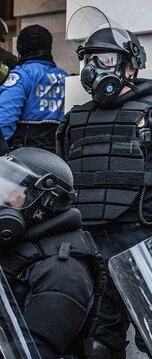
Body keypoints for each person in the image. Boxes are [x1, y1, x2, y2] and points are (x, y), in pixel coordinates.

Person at [56, 8, 152, 358]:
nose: (93, 68)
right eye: (89, 59)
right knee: (96, 343)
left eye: (104, 59)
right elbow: (61, 184)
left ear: (130, 66)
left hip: (139, 241)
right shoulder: (74, 118)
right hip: (86, 246)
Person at [0, 147, 100, 358]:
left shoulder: (63, 273)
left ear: (44, 203)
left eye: (10, 193)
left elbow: (32, 352)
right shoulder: (20, 246)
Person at [0, 25, 68, 152]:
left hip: (26, 160)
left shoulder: (21, 76)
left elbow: (4, 122)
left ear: (20, 48)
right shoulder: (67, 78)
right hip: (60, 161)